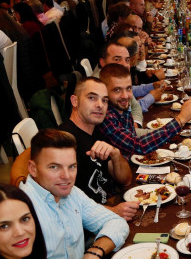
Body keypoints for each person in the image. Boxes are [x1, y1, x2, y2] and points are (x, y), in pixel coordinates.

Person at [20, 129, 129, 259]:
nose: (66, 176)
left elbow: (116, 222)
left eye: (72, 167)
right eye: (54, 167)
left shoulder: (71, 193)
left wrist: (94, 252)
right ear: (33, 169)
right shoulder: (20, 210)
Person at [59, 77, 137, 220]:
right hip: (88, 227)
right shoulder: (64, 143)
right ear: (75, 101)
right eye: (92, 98)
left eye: (104, 100)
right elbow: (63, 204)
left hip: (108, 208)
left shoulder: (97, 131)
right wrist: (113, 212)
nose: (100, 105)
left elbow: (125, 180)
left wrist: (116, 154)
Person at [98, 63, 191, 157]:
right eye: (117, 90)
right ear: (104, 91)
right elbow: (138, 146)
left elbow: (134, 137)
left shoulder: (121, 107)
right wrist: (180, 120)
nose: (125, 95)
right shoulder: (106, 117)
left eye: (128, 88)